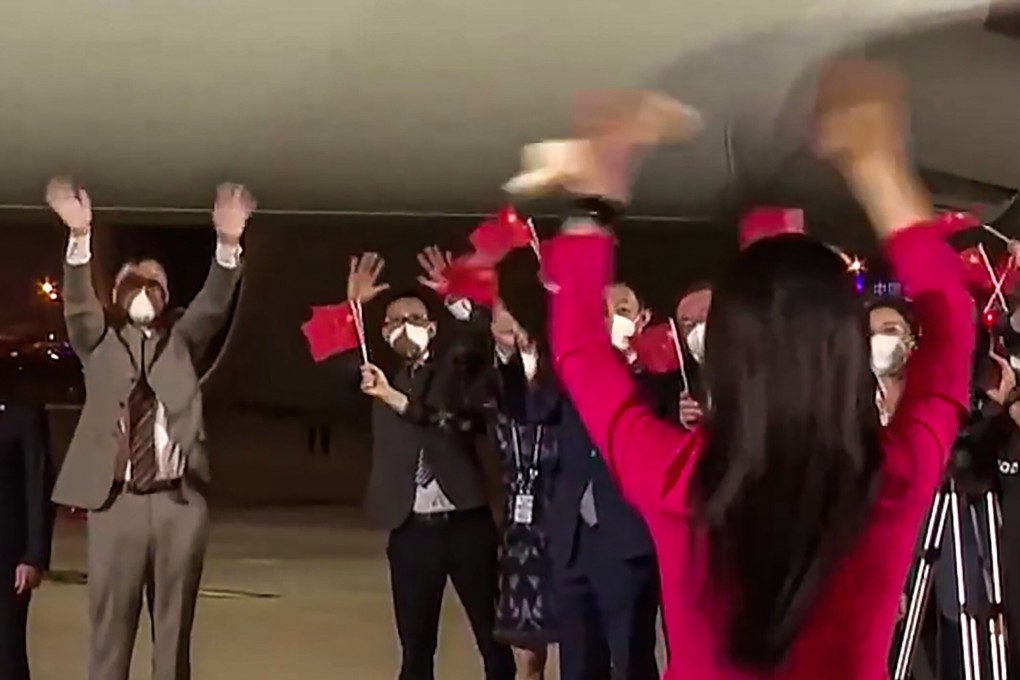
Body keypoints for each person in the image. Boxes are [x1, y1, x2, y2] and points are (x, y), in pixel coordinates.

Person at [514, 62, 974, 678]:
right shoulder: (891, 479)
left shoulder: (677, 481)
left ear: (722, 355)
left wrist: (596, 198)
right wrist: (879, 171)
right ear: (847, 351)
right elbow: (952, 322)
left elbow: (576, 348)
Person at [46, 178, 251, 680]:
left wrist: (227, 244)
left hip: (177, 502)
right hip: (115, 503)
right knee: (110, 629)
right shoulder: (98, 341)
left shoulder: (181, 339)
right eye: (133, 279)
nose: (145, 286)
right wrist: (79, 237)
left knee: (174, 629)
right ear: (115, 292)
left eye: (155, 279)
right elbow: (77, 303)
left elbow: (213, 305)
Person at [332, 252, 514, 680]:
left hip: (466, 523)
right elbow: (336, 364)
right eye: (394, 321)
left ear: (432, 327)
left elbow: (477, 343)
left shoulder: (455, 369)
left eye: (414, 317)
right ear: (382, 332)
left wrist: (457, 298)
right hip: (410, 527)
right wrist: (351, 308)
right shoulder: (374, 377)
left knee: (493, 642)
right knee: (416, 650)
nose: (404, 326)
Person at [488, 296, 560, 679]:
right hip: (520, 530)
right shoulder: (500, 379)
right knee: (526, 652)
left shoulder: (565, 374)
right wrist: (503, 343)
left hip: (563, 519)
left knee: (582, 641)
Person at [0, 394, 54, 680]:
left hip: (8, 561)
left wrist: (34, 555)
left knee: (7, 658)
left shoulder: (22, 413)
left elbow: (38, 485)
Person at [868, 298, 916, 425]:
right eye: (870, 333)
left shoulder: (924, 395)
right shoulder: (851, 399)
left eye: (890, 330)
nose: (878, 339)